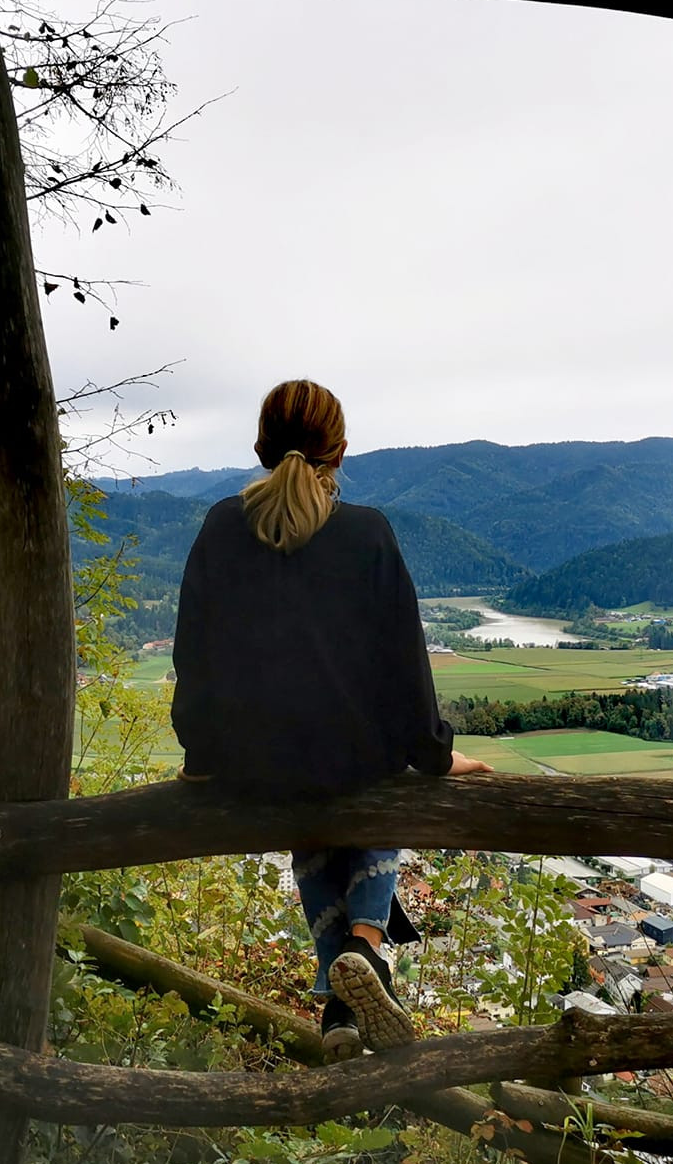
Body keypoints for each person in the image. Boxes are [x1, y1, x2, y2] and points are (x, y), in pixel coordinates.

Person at [171, 379, 490, 1061]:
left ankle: (339, 1009)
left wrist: (200, 758)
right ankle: (366, 950)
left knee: (306, 809)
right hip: (354, 767)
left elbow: (192, 656)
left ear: (260, 449)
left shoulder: (222, 526)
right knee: (369, 787)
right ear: (339, 452)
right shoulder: (367, 532)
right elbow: (405, 670)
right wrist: (437, 758)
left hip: (253, 770)